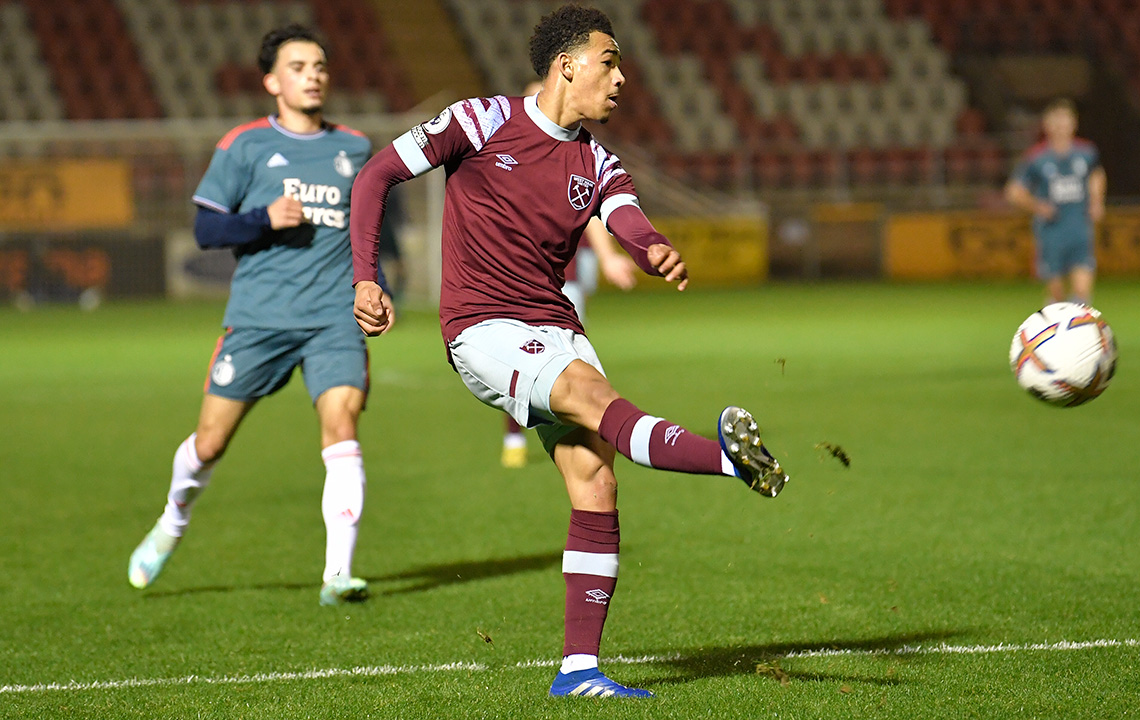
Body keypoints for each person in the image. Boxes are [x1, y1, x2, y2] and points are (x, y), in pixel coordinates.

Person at [348, 4, 787, 698]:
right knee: (594, 397)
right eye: (609, 62)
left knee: (596, 483)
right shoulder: (479, 121)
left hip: (554, 325)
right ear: (567, 66)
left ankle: (579, 671)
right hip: (483, 327)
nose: (620, 80)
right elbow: (374, 177)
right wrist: (366, 278)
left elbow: (627, 220)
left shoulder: (597, 159)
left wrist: (655, 249)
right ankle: (727, 460)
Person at [127, 24, 392, 607]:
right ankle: (172, 520)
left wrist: (375, 285)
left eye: (320, 65)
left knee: (342, 424)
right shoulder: (242, 145)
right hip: (259, 319)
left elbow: (370, 232)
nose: (314, 75)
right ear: (273, 81)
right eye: (299, 66)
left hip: (331, 319)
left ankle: (338, 575)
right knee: (211, 443)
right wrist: (263, 219)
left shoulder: (353, 147)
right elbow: (205, 229)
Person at [502, 215, 637, 467]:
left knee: (570, 361)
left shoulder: (558, 178)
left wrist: (607, 257)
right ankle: (515, 437)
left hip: (563, 279)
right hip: (518, 282)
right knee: (520, 360)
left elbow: (588, 208)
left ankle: (580, 437)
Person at [1005, 98, 1106, 304]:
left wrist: (1096, 201)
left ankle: (1080, 334)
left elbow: (1097, 175)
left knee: (1081, 294)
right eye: (1056, 121)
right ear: (1047, 125)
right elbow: (1013, 191)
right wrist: (1037, 206)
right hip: (1051, 232)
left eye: (1065, 120)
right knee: (1057, 297)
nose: (1061, 126)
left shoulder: (1086, 153)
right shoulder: (1036, 158)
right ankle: (1054, 331)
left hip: (1079, 227)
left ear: (1073, 123)